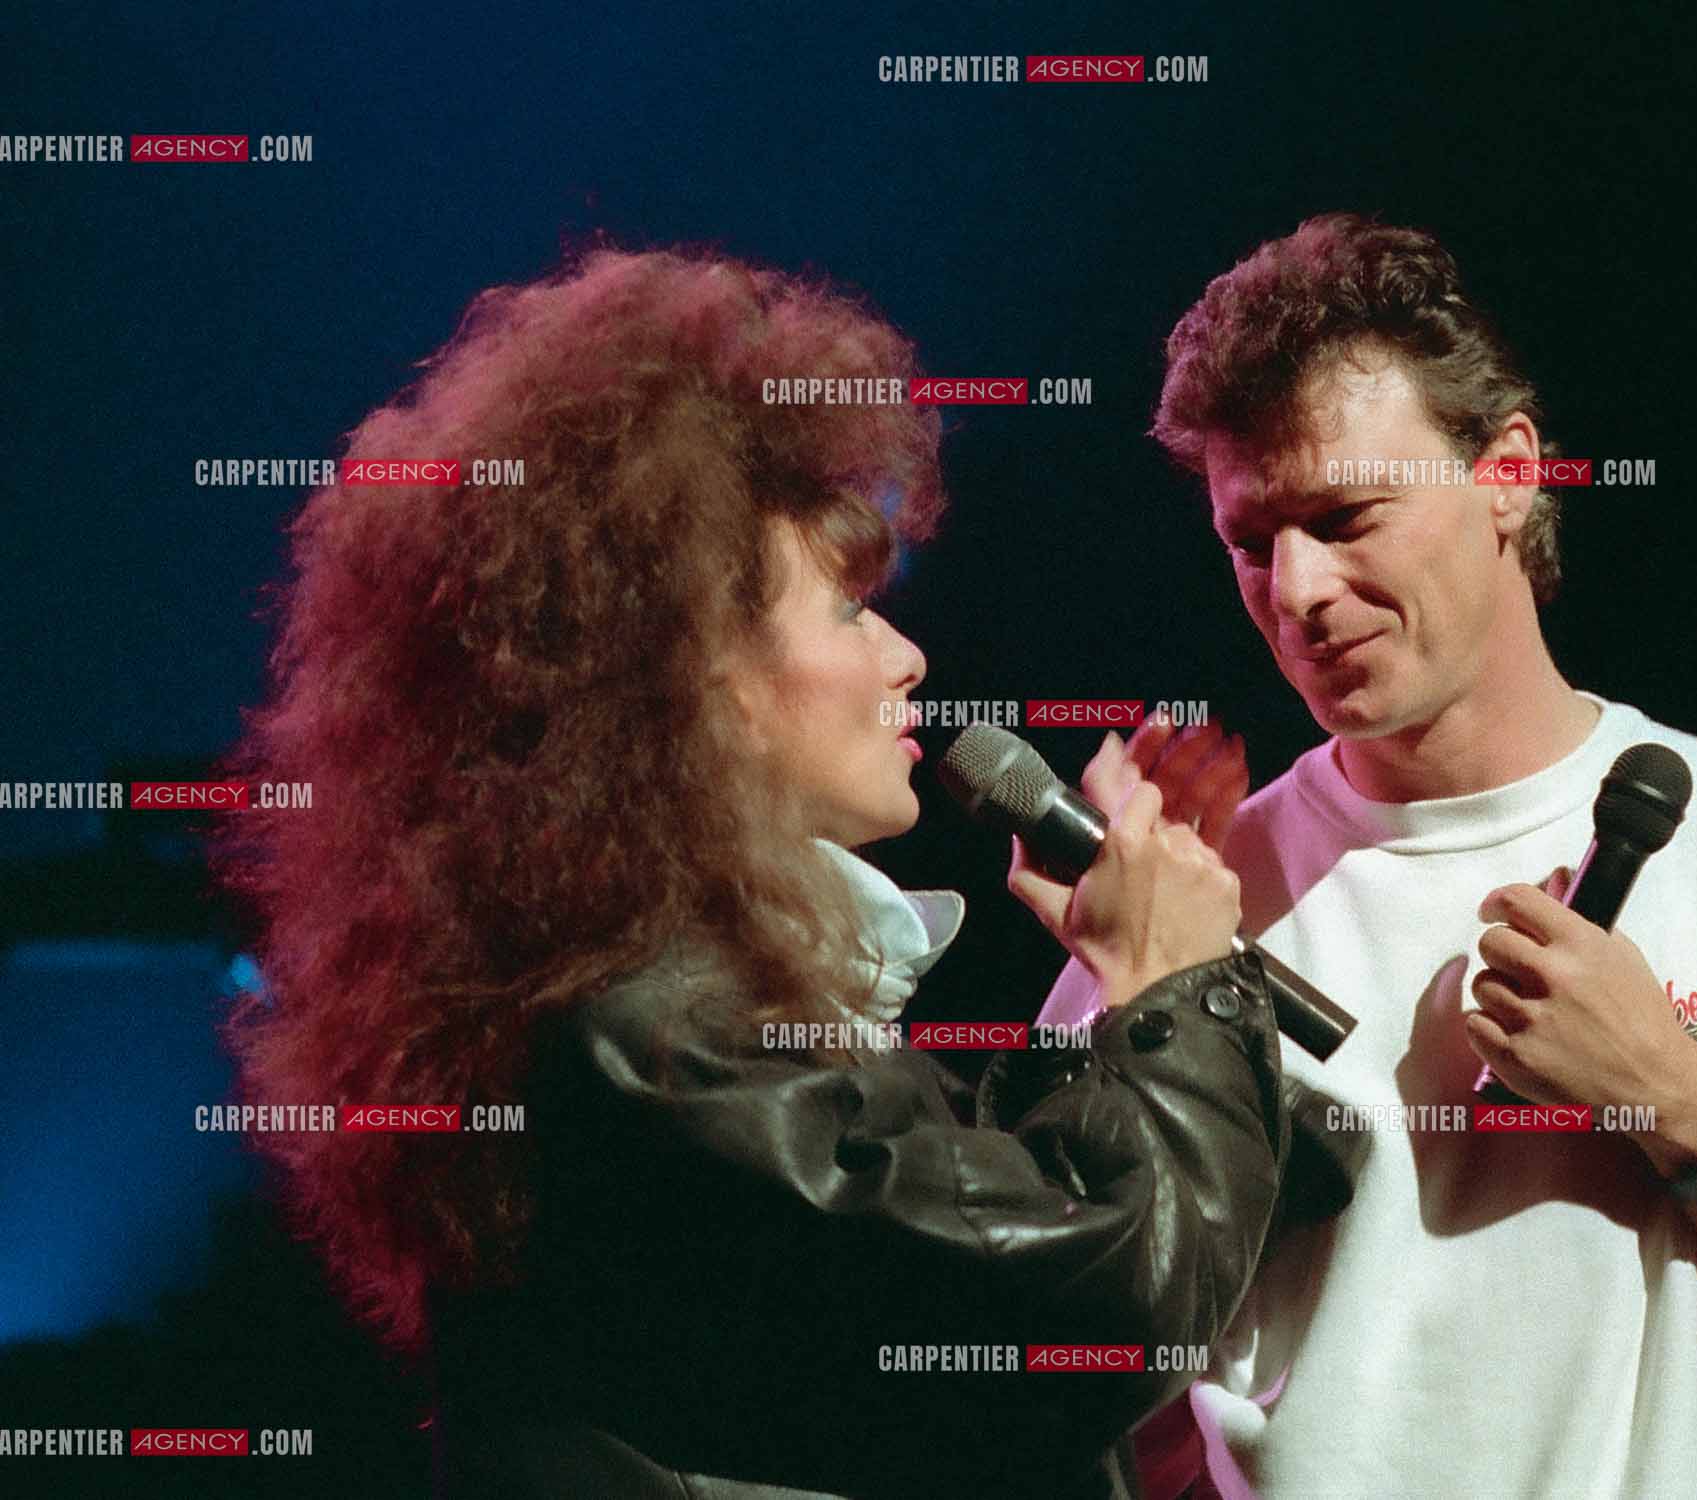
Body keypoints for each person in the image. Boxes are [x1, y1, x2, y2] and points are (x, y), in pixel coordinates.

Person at [211, 244, 1361, 1499]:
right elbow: (1085, 1316)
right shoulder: (654, 1036)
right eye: (850, 611)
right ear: (695, 674)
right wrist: (1167, 993)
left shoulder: (665, 1009)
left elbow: (957, 1231)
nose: (908, 656)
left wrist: (1155, 1019)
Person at [1039, 213, 1697, 1498]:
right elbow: (1069, 1379)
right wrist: (1130, 987)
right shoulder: (1190, 894)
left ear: (1506, 475)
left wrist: (1680, 1103)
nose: (1292, 591)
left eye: (1346, 516)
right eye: (1249, 540)